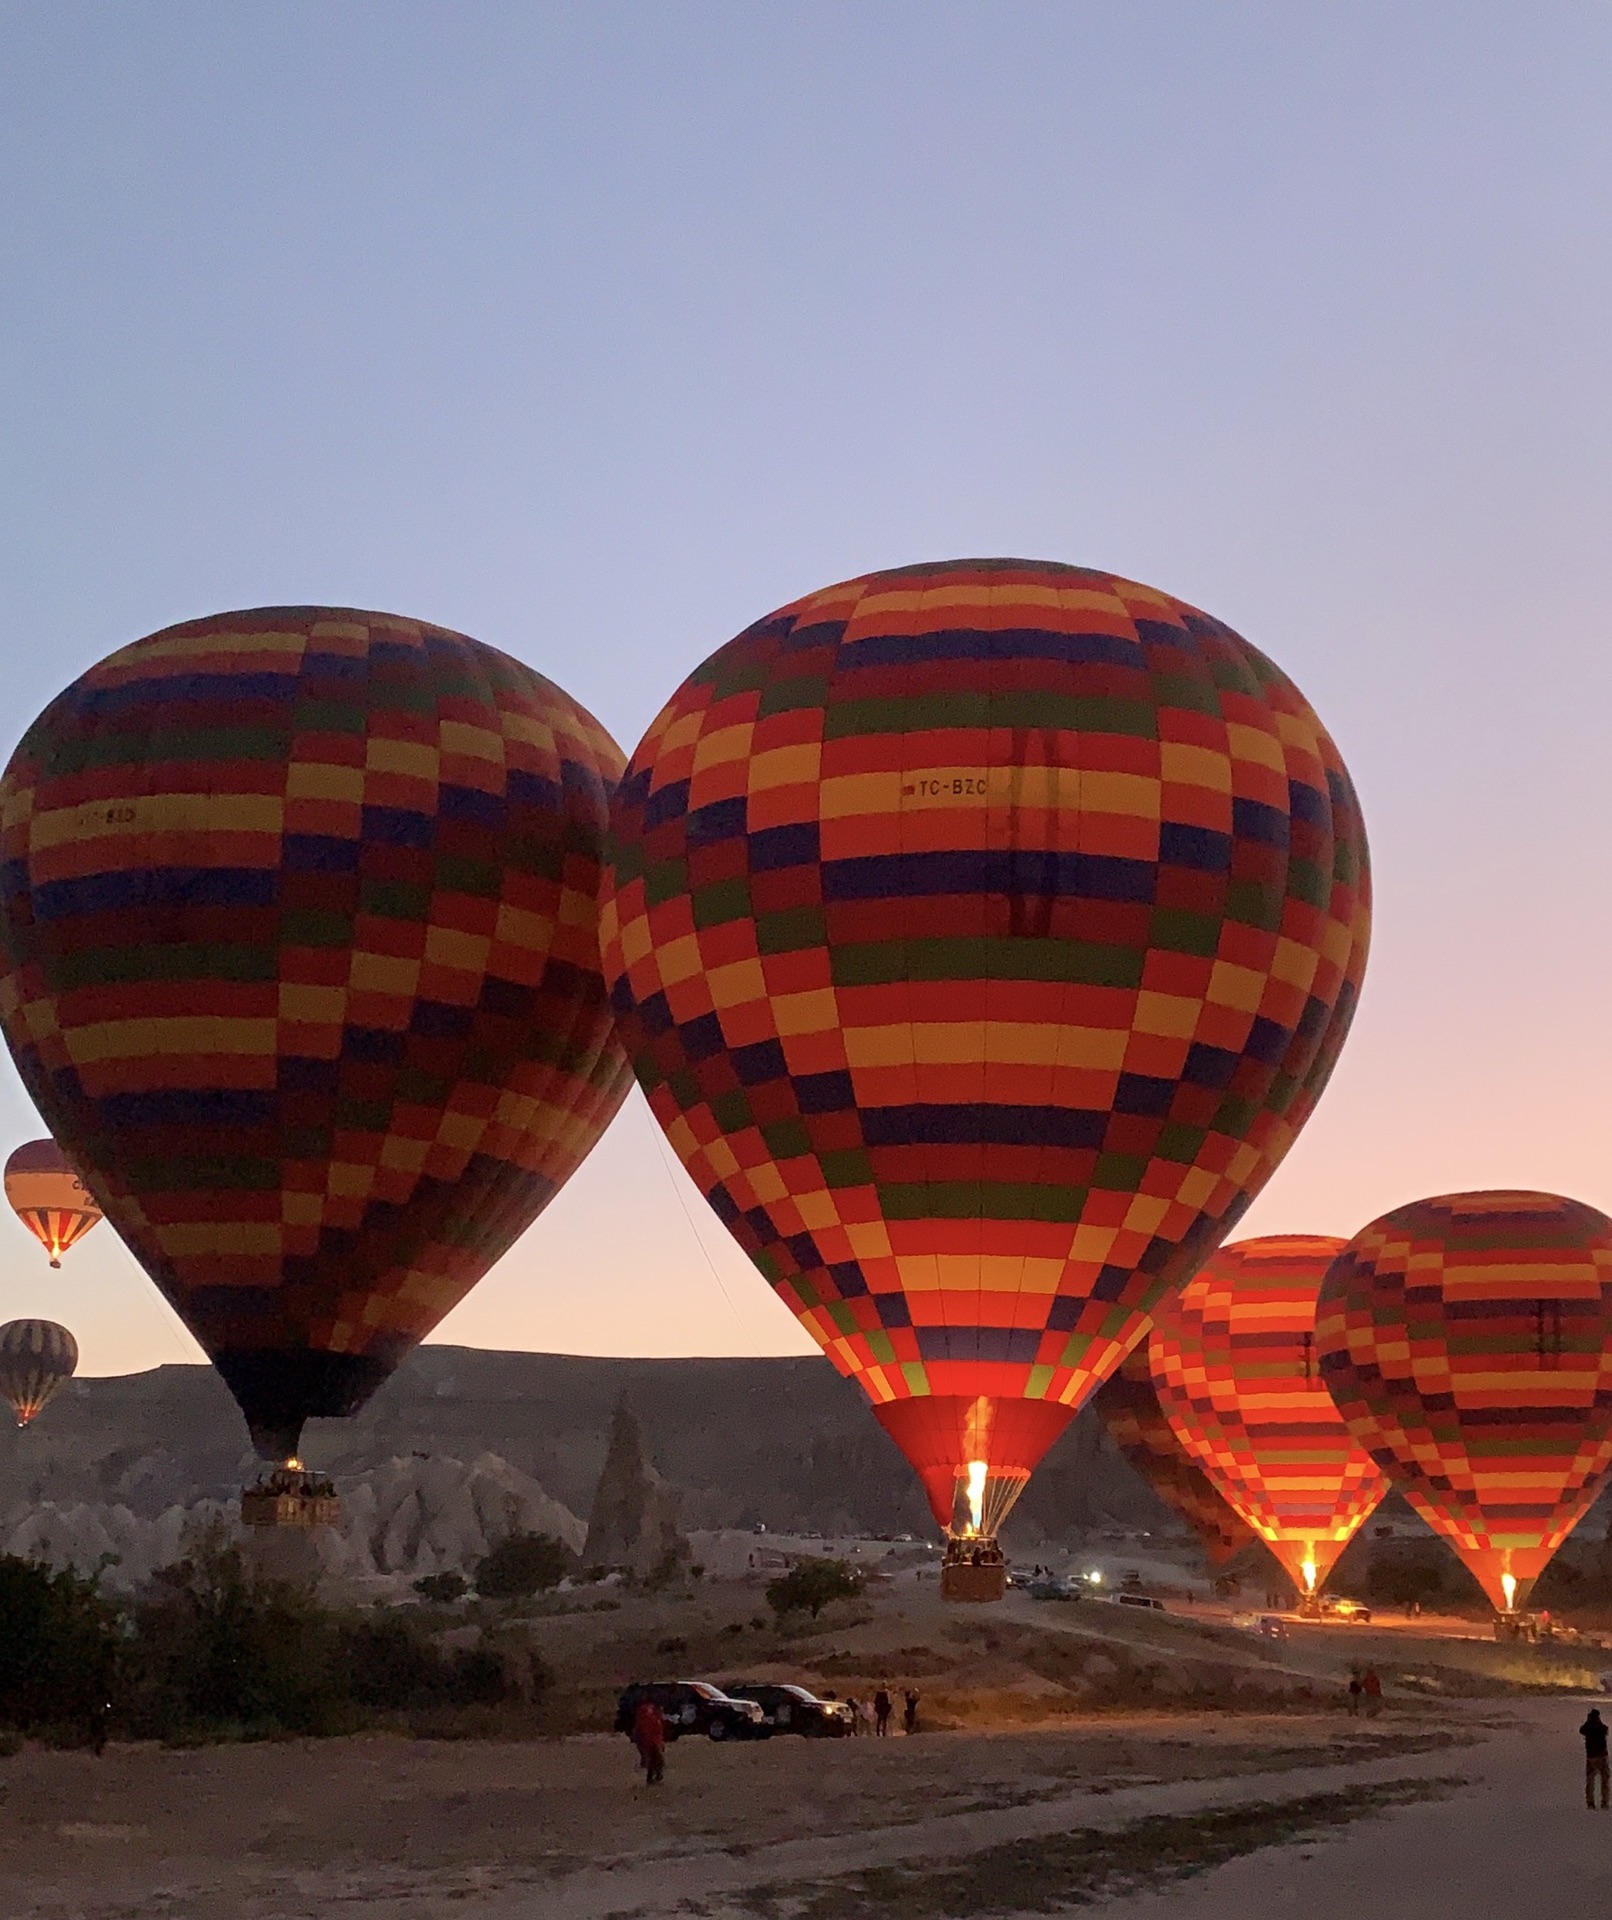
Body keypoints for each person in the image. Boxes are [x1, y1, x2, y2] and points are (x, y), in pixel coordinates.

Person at [632, 1696, 667, 1787]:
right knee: (655, 1759)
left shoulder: (649, 1712)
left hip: (650, 1739)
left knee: (654, 1759)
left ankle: (653, 1777)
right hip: (649, 1739)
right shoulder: (648, 1712)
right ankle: (653, 1777)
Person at [1582, 1708, 1609, 1809]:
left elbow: (1582, 1730)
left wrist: (1588, 1721)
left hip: (1591, 1757)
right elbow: (1606, 1729)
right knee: (1605, 1780)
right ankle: (1605, 1801)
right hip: (1602, 1756)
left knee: (1590, 1781)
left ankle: (1590, 1802)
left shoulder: (1588, 1727)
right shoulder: (1601, 1727)